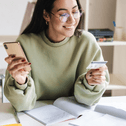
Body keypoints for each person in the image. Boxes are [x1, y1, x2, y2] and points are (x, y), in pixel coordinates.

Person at [4, 0, 109, 112]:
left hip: (74, 114)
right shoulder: (25, 43)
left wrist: (90, 83)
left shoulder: (87, 42)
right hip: (34, 114)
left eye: (75, 11)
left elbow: (88, 101)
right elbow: (22, 106)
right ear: (46, 15)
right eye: (63, 14)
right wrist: (21, 82)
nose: (72, 20)